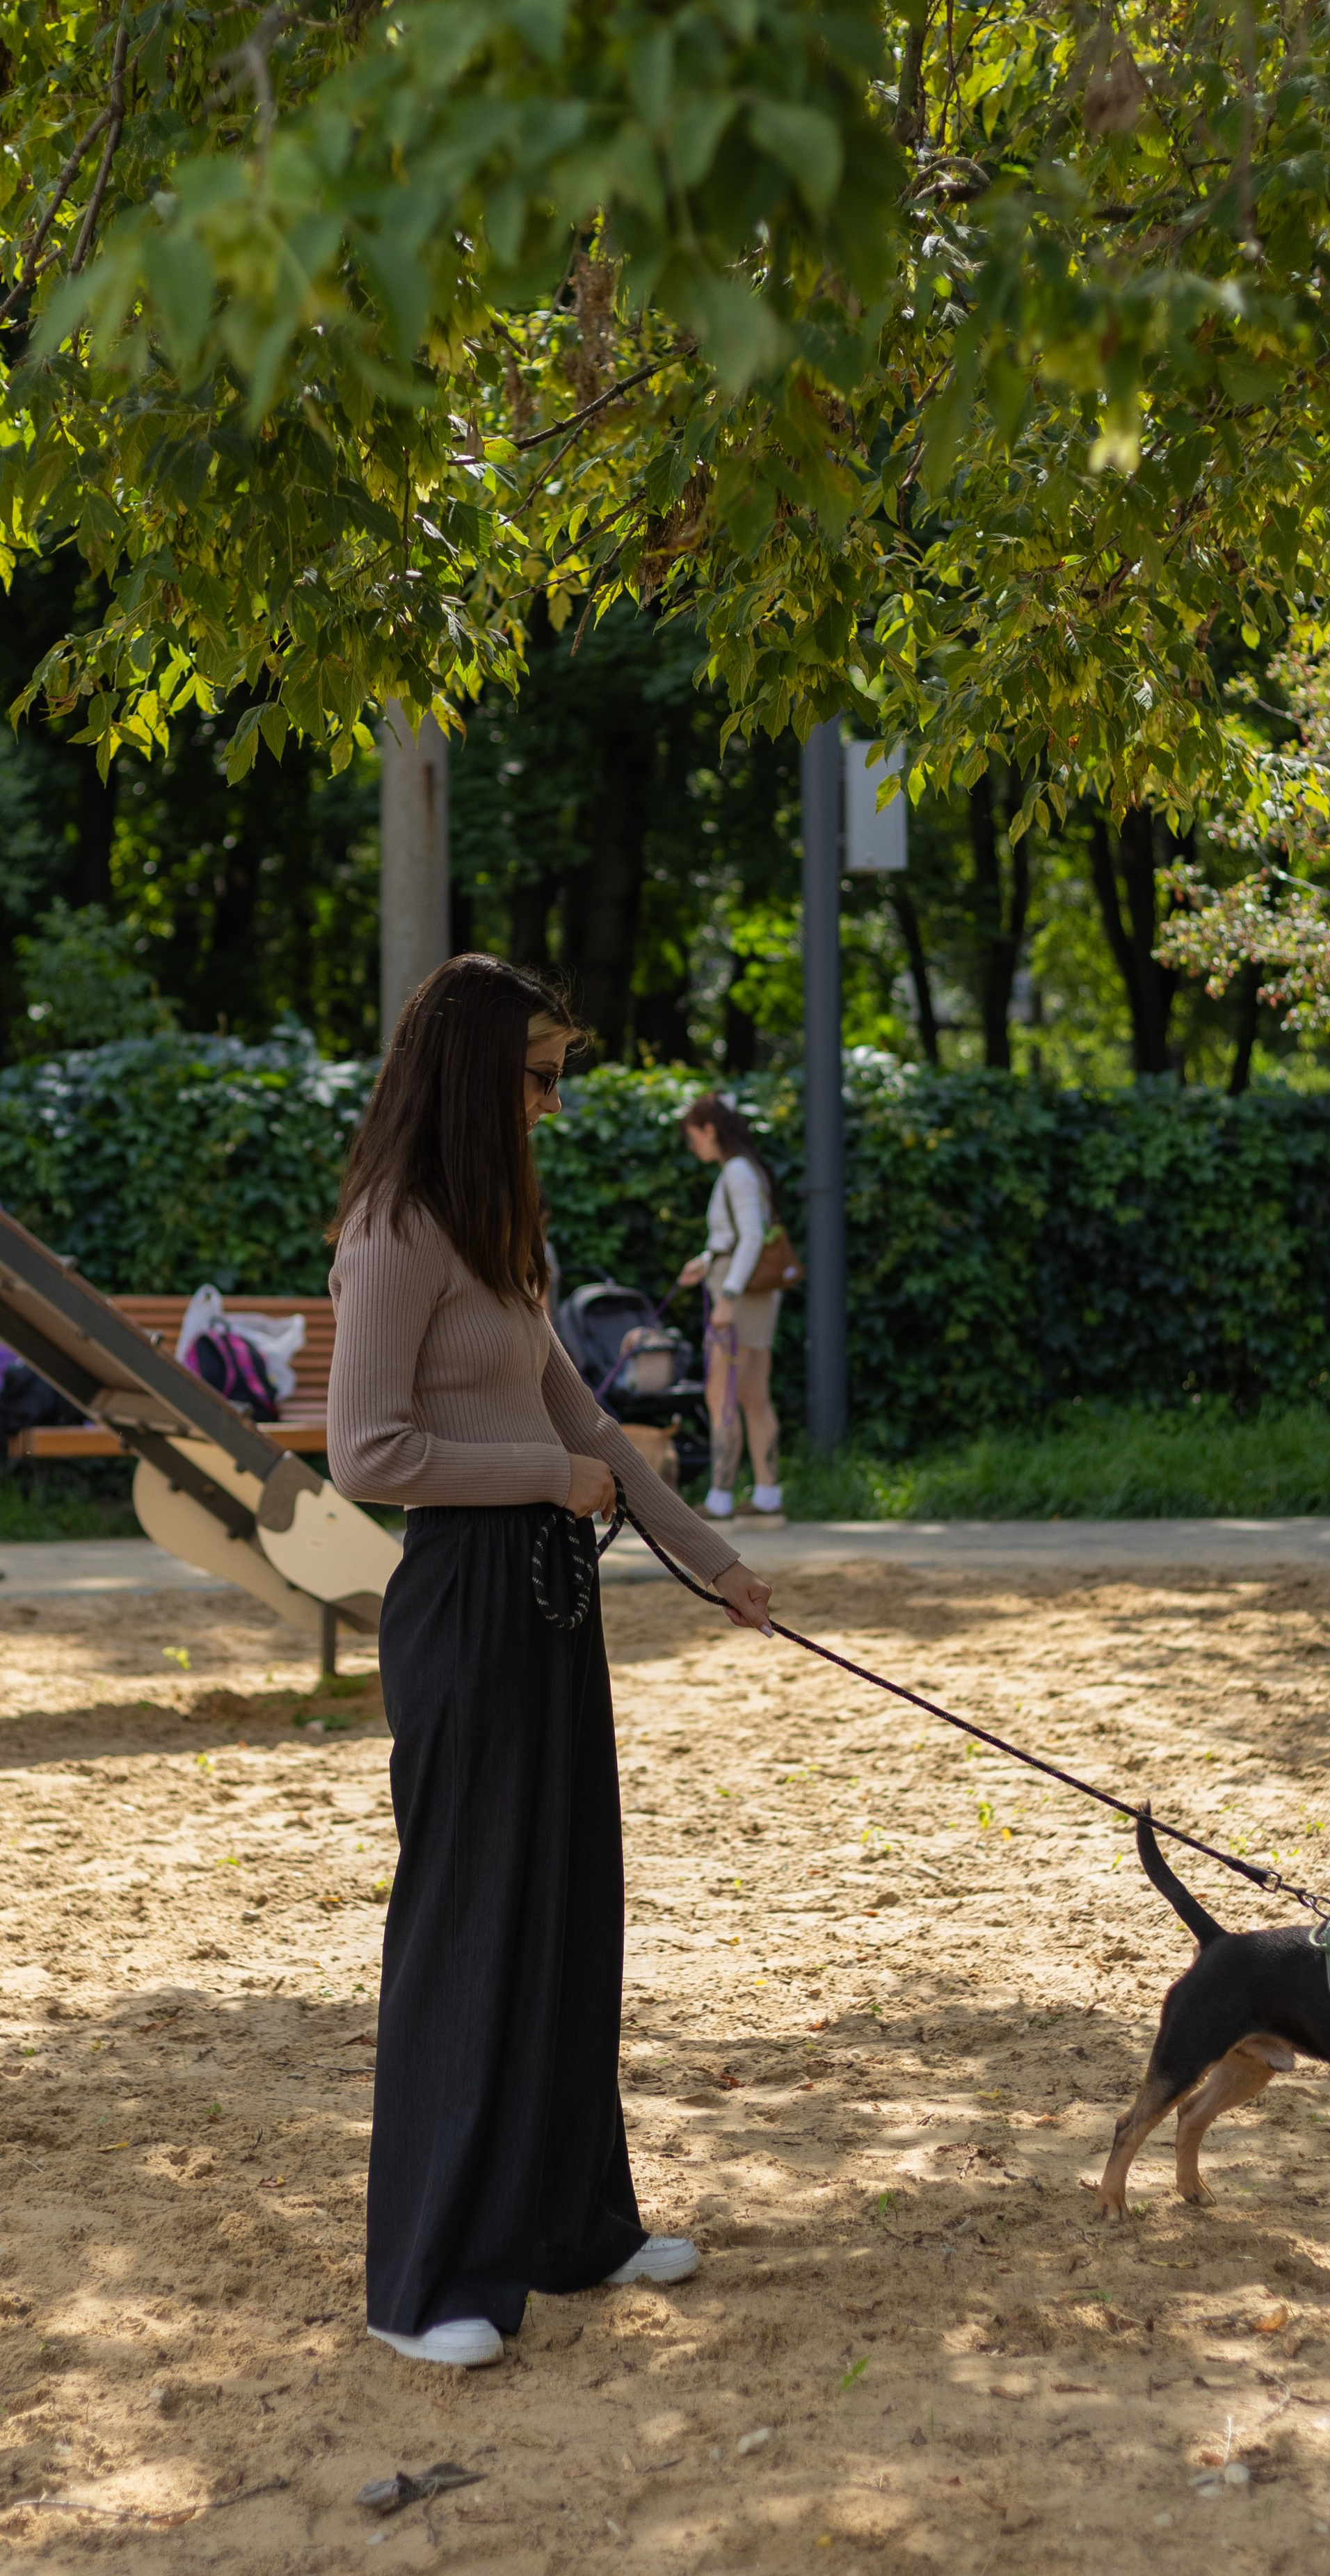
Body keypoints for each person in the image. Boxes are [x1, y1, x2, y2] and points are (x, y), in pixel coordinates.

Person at [326, 957, 773, 2370]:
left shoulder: (498, 1227)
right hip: (461, 1600)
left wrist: (708, 1555)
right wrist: (547, 1475)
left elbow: (579, 1411)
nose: (551, 1100)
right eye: (535, 1076)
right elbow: (367, 1451)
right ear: (469, 1074)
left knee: (570, 1908)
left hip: (548, 1606)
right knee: (466, 1926)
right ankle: (425, 2281)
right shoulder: (393, 1230)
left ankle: (577, 2225)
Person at [676, 1093, 785, 1523]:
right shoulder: (746, 1170)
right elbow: (740, 1237)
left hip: (738, 1302)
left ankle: (720, 1499)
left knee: (720, 1395)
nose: (693, 1146)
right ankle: (767, 1496)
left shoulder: (735, 1172)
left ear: (709, 1130)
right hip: (754, 1299)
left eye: (693, 1137)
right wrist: (706, 1263)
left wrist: (727, 1295)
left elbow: (752, 1237)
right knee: (754, 1396)